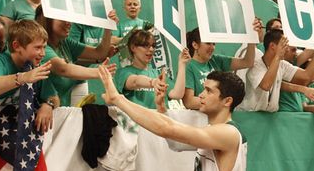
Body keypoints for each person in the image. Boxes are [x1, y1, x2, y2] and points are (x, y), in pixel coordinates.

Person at [99, 66, 248, 171]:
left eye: (209, 91)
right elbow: (176, 143)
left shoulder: (228, 133)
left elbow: (166, 128)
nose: (201, 95)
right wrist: (161, 109)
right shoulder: (214, 130)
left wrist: (118, 99)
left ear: (227, 101)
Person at [0, 20, 55, 132]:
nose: (43, 53)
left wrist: (48, 105)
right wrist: (23, 77)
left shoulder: (36, 67)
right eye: (38, 47)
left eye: (44, 47)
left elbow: (53, 96)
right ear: (17, 46)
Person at [35, 6, 117, 106]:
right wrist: (99, 72)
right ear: (47, 19)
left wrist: (108, 28)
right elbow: (63, 69)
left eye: (70, 19)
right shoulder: (41, 48)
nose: (69, 23)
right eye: (63, 19)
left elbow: (99, 53)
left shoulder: (65, 43)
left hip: (61, 110)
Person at [176, 19, 261, 110]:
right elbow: (189, 102)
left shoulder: (216, 60)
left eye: (214, 43)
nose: (212, 47)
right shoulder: (188, 66)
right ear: (195, 45)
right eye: (208, 43)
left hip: (216, 118)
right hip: (198, 121)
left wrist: (252, 38)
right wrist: (219, 101)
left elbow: (247, 62)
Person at [239, 29, 314, 112]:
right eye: (284, 45)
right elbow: (266, 85)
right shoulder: (255, 64)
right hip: (250, 115)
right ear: (272, 46)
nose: (287, 49)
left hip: (270, 117)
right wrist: (278, 56)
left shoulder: (282, 64)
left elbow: (306, 77)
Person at [115, 29, 190, 108]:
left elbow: (177, 94)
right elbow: (135, 81)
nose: (151, 49)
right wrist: (153, 82)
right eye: (145, 45)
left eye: (153, 46)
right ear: (133, 47)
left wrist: (182, 64)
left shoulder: (158, 73)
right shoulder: (123, 72)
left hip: (161, 118)